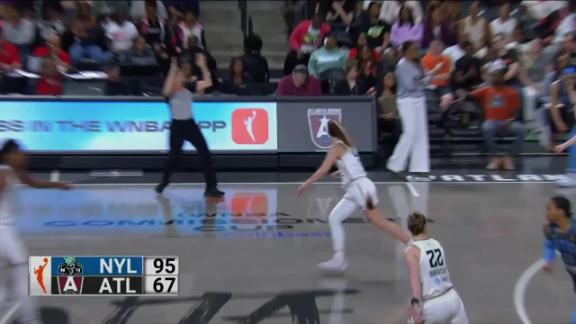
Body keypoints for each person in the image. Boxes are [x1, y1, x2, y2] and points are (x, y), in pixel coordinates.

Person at [297, 120, 410, 272]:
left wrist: (306, 183)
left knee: (380, 222)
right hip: (354, 190)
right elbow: (352, 165)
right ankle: (339, 259)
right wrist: (340, 172)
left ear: (329, 134)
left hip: (361, 190)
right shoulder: (347, 145)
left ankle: (413, 244)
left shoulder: (336, 147)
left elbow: (323, 170)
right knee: (334, 218)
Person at [0, 139, 71, 324]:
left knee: (10, 284)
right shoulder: (2, 174)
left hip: (6, 234)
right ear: (8, 156)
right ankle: (29, 319)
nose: (23, 155)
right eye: (18, 152)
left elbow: (32, 182)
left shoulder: (13, 172)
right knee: (22, 277)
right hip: (3, 234)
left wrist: (57, 185)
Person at [155, 55, 224, 198]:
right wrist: (173, 68)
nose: (185, 71)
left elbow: (208, 82)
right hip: (177, 126)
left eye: (187, 68)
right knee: (173, 157)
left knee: (205, 153)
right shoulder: (171, 90)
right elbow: (166, 91)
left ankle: (211, 187)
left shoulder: (189, 85)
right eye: (181, 69)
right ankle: (164, 181)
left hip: (190, 124)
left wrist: (203, 65)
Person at [404, 212, 469, 324]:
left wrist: (415, 305)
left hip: (432, 305)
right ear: (425, 226)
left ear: (409, 229)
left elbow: (415, 283)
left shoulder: (411, 251)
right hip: (452, 298)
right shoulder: (437, 244)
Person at [387, 41, 435, 176]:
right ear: (406, 51)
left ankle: (419, 167)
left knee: (421, 133)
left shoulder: (417, 64)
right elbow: (410, 85)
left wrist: (424, 79)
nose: (416, 52)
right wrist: (422, 80)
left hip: (419, 99)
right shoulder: (401, 65)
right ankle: (395, 165)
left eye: (417, 49)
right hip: (406, 100)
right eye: (413, 49)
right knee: (410, 133)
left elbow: (425, 80)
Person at [468, 61, 525, 170]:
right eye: (493, 75)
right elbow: (469, 95)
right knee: (487, 128)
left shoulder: (511, 92)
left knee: (521, 130)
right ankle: (496, 156)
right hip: (492, 121)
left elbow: (516, 111)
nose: (494, 78)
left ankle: (509, 157)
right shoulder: (486, 90)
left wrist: (510, 119)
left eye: (497, 75)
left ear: (502, 76)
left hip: (507, 122)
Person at [542, 195, 576, 323]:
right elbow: (549, 245)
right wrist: (548, 260)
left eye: (549, 208)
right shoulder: (549, 230)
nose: (546, 212)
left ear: (561, 212)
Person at [550, 66, 576, 187]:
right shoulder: (557, 86)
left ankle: (573, 175)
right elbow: (553, 105)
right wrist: (558, 121)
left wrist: (564, 145)